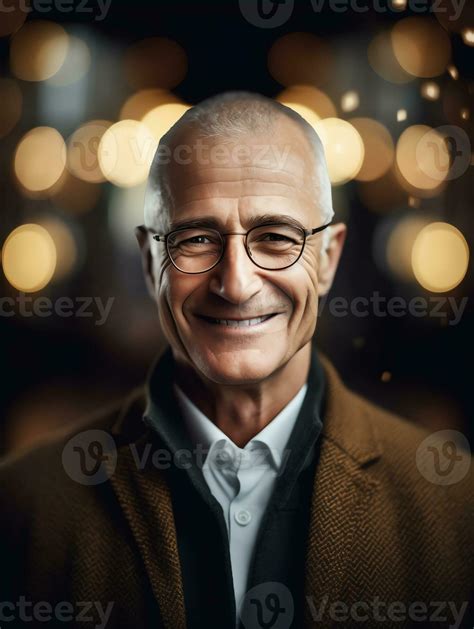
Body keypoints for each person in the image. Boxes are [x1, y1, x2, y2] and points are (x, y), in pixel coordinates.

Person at [1, 92, 472, 629]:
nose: (236, 283)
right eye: (197, 239)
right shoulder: (20, 507)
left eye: (275, 238)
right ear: (149, 256)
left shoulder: (456, 507)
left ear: (329, 259)